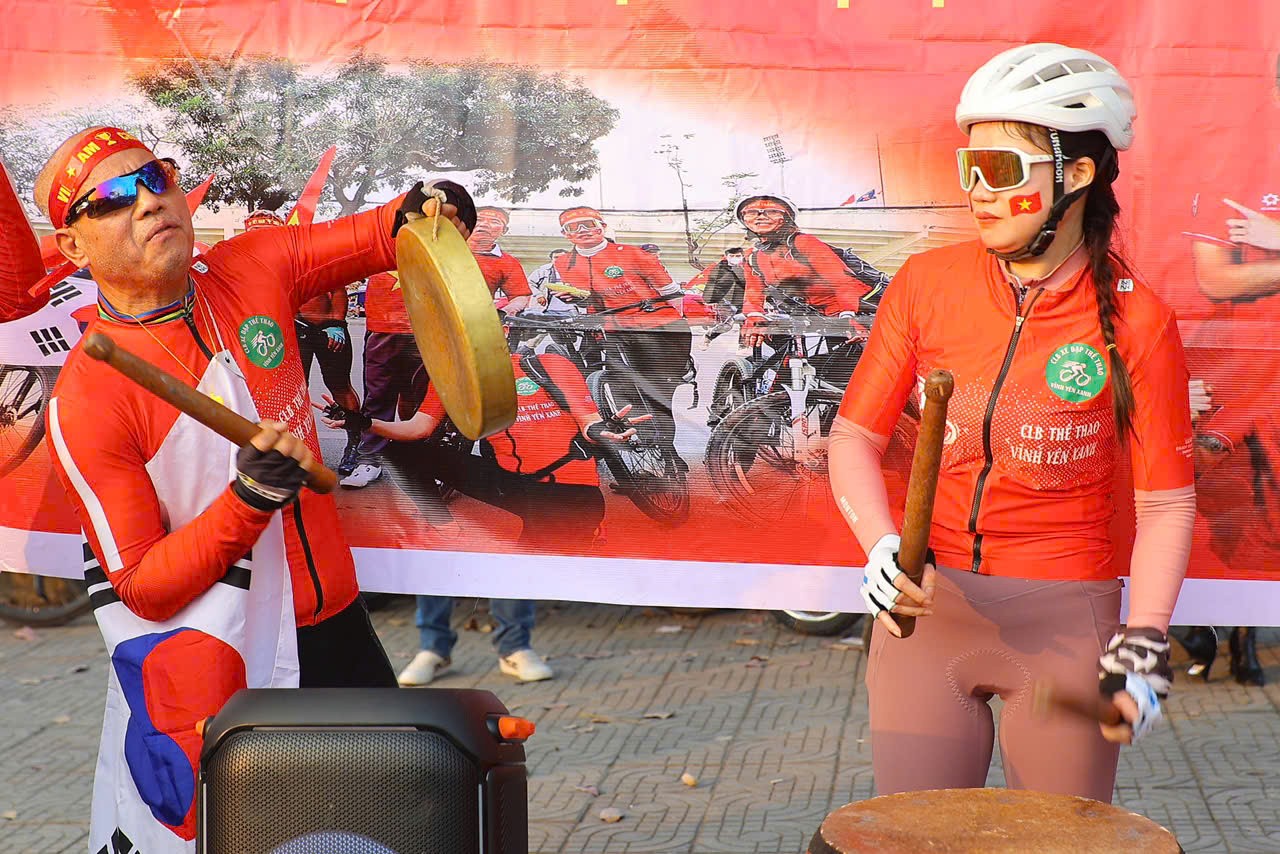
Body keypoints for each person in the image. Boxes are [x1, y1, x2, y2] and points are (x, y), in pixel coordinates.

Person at [33, 126, 473, 852]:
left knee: (401, 835)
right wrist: (248, 501)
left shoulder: (251, 265)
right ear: (75, 247)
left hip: (337, 630)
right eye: (112, 198)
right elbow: (143, 586)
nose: (147, 203)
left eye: (157, 178)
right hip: (233, 668)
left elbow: (382, 232)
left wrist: (433, 206)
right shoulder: (90, 398)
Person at [829, 45, 1196, 802]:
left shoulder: (1140, 319)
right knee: (911, 846)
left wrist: (1148, 634)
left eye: (1000, 171)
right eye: (969, 170)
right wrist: (877, 546)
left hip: (1067, 626)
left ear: (1079, 176)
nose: (977, 194)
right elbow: (854, 436)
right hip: (924, 617)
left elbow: (1166, 501)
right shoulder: (927, 283)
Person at [319, 348, 647, 685]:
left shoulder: (545, 364)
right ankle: (434, 643)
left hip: (565, 493)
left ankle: (514, 649)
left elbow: (588, 420)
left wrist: (603, 430)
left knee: (510, 567)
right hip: (510, 483)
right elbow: (419, 428)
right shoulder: (453, 376)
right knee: (410, 473)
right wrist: (361, 421)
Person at [552, 206, 692, 471]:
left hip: (657, 327)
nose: (582, 231)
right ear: (565, 234)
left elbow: (671, 291)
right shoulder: (564, 263)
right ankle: (651, 447)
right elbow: (587, 298)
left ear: (602, 227)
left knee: (659, 393)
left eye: (589, 224)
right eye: (574, 227)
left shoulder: (631, 253)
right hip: (613, 330)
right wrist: (575, 298)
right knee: (625, 390)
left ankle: (668, 452)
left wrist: (676, 328)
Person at [244, 210, 364, 471]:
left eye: (265, 233)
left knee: (340, 386)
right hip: (292, 332)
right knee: (293, 391)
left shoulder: (305, 256)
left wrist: (336, 323)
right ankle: (297, 449)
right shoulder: (251, 263)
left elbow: (337, 288)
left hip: (326, 329)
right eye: (255, 234)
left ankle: (356, 443)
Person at [737, 193, 873, 385]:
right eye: (751, 213)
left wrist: (849, 315)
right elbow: (753, 293)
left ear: (786, 217)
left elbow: (841, 281)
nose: (760, 216)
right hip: (806, 315)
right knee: (789, 360)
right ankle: (775, 400)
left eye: (771, 211)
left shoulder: (804, 243)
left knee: (850, 378)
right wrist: (754, 316)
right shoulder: (753, 257)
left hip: (847, 311)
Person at [342, 269, 429, 488]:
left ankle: (426, 459)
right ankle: (370, 459)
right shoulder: (377, 244)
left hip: (427, 329)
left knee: (424, 400)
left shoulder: (440, 240)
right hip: (382, 328)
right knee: (378, 395)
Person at [469, 205, 532, 314]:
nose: (484, 224)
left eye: (494, 221)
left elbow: (520, 297)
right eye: (478, 219)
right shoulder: (445, 249)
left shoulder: (508, 262)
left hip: (478, 319)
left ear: (504, 231)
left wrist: (505, 312)